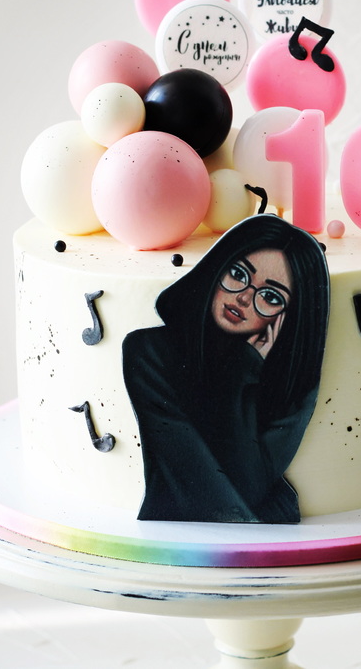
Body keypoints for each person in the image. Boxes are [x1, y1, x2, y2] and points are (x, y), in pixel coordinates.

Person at [122, 214, 330, 523]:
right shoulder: (150, 352)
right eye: (237, 273)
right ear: (217, 267)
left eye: (270, 296)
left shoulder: (294, 384)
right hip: (181, 531)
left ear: (291, 318)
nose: (244, 298)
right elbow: (208, 488)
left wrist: (245, 373)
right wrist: (240, 376)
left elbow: (253, 486)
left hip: (278, 538)